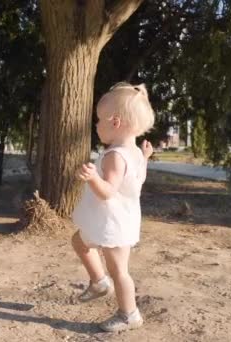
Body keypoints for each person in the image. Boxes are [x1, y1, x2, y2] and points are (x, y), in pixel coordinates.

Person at [71, 82, 155, 332]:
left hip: (113, 222)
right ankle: (98, 282)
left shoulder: (114, 157)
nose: (96, 125)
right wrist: (146, 158)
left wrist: (93, 178)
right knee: (79, 241)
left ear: (115, 122)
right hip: (117, 218)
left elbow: (108, 192)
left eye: (99, 120)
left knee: (119, 271)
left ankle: (129, 314)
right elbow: (139, 179)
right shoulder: (135, 154)